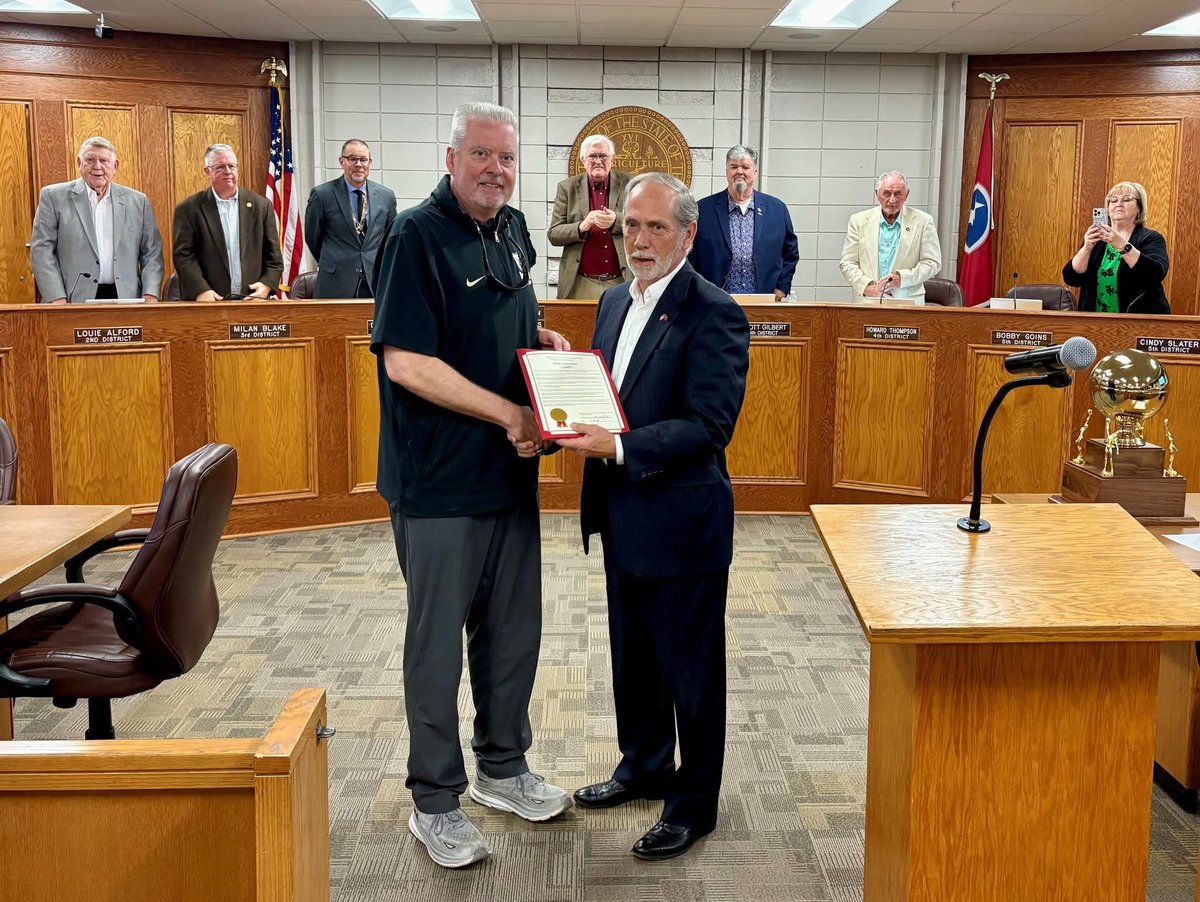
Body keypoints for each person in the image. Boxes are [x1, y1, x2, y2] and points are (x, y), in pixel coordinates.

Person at [370, 101, 573, 870]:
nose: (497, 170)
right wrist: (507, 412)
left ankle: (502, 766)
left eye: (508, 159)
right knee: (437, 646)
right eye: (482, 155)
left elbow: (515, 312)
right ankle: (435, 800)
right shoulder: (415, 237)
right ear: (452, 158)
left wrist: (543, 336)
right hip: (438, 480)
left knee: (514, 633)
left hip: (509, 474)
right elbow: (406, 362)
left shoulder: (514, 227)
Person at [558, 172, 750, 861]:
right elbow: (614, 394)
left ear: (688, 234)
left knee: (691, 673)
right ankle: (642, 767)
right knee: (634, 659)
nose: (639, 240)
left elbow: (709, 426)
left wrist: (619, 445)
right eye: (631, 226)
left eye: (656, 228)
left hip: (682, 521)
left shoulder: (714, 311)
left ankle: (693, 803)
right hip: (622, 511)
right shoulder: (612, 302)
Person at [30, 136, 163, 304]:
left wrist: (150, 294)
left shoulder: (138, 201)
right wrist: (56, 296)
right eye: (90, 160)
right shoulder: (53, 197)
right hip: (71, 299)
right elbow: (42, 250)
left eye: (104, 161)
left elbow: (152, 252)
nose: (97, 167)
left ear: (115, 166)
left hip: (127, 298)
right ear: (79, 163)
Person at [172, 144, 282, 302]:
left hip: (252, 301)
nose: (228, 171)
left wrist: (266, 285)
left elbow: (274, 257)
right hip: (209, 302)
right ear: (207, 171)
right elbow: (183, 256)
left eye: (232, 166)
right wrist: (201, 290)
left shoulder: (261, 206)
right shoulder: (189, 209)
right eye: (220, 167)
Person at [689, 145, 798, 299]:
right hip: (716, 303)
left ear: (755, 173)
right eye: (734, 166)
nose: (739, 171)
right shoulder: (703, 210)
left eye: (745, 167)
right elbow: (690, 255)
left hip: (764, 300)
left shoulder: (777, 210)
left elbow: (790, 253)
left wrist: (782, 287)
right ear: (727, 172)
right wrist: (698, 291)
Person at [304, 138, 397, 298]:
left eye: (363, 159)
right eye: (352, 158)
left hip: (374, 281)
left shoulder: (386, 196)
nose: (358, 164)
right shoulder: (322, 195)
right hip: (335, 282)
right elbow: (313, 238)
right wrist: (335, 261)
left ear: (370, 163)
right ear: (342, 161)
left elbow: (390, 239)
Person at [1062, 181, 1170, 314]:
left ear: (1139, 208)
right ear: (1107, 209)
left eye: (1126, 199)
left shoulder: (1151, 238)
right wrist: (1086, 248)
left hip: (1140, 321)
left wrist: (1122, 245)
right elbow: (1071, 278)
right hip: (1096, 321)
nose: (1118, 204)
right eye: (1113, 200)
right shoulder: (1097, 240)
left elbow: (1155, 273)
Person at [548, 134, 631, 299]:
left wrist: (616, 220)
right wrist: (582, 226)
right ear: (583, 160)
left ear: (612, 160)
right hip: (580, 282)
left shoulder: (630, 183)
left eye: (603, 156)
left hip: (621, 280)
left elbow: (642, 224)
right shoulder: (567, 187)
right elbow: (554, 234)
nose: (598, 161)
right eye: (592, 156)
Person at [839, 170, 942, 302]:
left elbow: (932, 263)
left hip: (908, 301)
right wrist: (865, 286)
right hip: (868, 300)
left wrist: (903, 278)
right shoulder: (858, 221)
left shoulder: (923, 221)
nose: (892, 200)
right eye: (886, 193)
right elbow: (848, 262)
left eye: (898, 194)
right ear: (877, 194)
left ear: (906, 195)